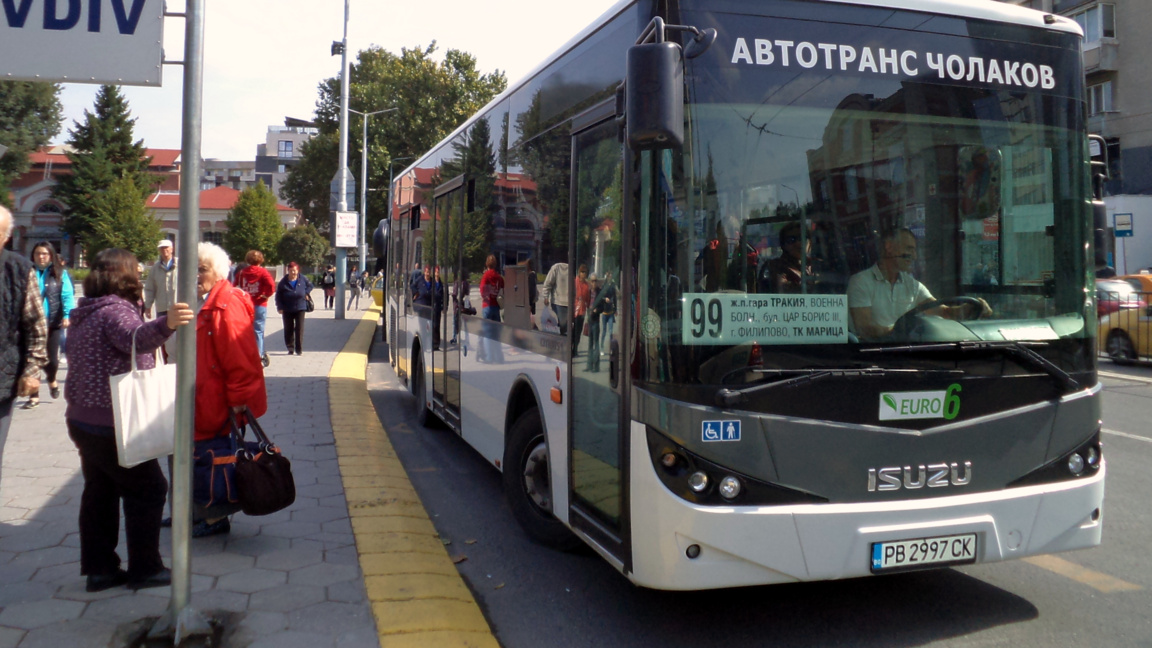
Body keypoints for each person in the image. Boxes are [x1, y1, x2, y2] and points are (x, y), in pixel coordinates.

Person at [64, 247, 195, 591]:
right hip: (114, 422)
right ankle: (145, 568)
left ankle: (100, 569)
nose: (139, 275)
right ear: (122, 276)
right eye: (135, 271)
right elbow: (133, 339)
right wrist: (167, 323)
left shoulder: (85, 311)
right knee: (150, 488)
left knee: (100, 491)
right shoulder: (115, 311)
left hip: (82, 420)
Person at [191, 243, 268, 537]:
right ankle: (203, 511)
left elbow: (241, 359)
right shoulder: (207, 300)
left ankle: (215, 517)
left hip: (218, 404)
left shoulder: (226, 303)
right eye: (192, 269)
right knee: (206, 456)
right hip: (206, 398)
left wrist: (237, 403)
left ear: (219, 273)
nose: (196, 276)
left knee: (214, 458)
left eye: (202, 269)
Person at [847, 228, 991, 340]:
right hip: (875, 358)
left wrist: (970, 308)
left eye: (915, 250)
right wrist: (899, 330)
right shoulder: (861, 282)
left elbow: (945, 312)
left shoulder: (913, 286)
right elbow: (865, 328)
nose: (914, 256)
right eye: (909, 249)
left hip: (910, 354)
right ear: (889, 247)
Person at [0, 206, 48, 488]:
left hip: (2, 378)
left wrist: (32, 370)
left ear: (5, 237)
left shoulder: (17, 270)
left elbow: (35, 324)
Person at [23, 241, 75, 409]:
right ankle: (34, 396)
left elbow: (67, 295)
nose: (41, 256)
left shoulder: (60, 274)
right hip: (30, 323)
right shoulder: (26, 272)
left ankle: (52, 379)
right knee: (31, 360)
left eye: (45, 253)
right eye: (38, 253)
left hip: (52, 322)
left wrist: (67, 315)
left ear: (51, 255)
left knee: (52, 361)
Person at [235, 250, 276, 367]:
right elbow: (271, 285)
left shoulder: (242, 273)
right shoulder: (263, 272)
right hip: (260, 304)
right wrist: (266, 295)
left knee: (244, 330)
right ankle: (259, 356)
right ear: (260, 260)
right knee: (258, 329)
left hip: (245, 304)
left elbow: (233, 286)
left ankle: (248, 353)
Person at [144, 239, 178, 362]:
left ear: (172, 249)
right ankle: (168, 363)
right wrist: (148, 306)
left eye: (166, 248)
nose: (164, 251)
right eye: (162, 248)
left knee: (180, 339)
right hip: (162, 309)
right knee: (166, 340)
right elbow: (150, 288)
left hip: (178, 308)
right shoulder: (155, 269)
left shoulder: (180, 265)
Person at [759, 222, 812, 294]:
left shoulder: (818, 265)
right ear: (783, 245)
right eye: (791, 240)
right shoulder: (776, 266)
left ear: (810, 243)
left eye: (802, 238)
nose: (798, 243)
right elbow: (783, 290)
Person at [275, 262, 314, 355]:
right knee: (288, 328)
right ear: (288, 271)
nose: (293, 273)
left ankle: (299, 349)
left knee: (299, 328)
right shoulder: (283, 282)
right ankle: (290, 347)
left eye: (295, 271)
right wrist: (279, 307)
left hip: (300, 307)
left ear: (298, 270)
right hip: (287, 308)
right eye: (291, 271)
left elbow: (310, 286)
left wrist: (306, 292)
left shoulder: (302, 279)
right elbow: (278, 296)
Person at [479, 255, 504, 363]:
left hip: (487, 306)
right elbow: (503, 291)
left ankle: (489, 357)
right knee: (496, 334)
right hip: (496, 307)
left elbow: (482, 290)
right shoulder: (499, 277)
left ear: (486, 264)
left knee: (487, 333)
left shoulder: (486, 276)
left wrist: (486, 296)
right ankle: (499, 357)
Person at [541, 261, 569, 334]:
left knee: (567, 326)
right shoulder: (556, 268)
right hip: (559, 302)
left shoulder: (572, 268)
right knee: (563, 326)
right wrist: (546, 296)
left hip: (570, 302)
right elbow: (548, 283)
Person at [572, 264, 591, 355]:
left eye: (585, 272)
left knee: (578, 332)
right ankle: (570, 348)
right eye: (582, 272)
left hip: (582, 311)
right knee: (573, 331)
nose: (583, 274)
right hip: (574, 310)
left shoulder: (587, 285)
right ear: (579, 272)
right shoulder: (574, 282)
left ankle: (575, 349)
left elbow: (588, 299)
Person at [597, 272, 617, 351]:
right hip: (605, 312)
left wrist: (615, 310)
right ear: (607, 277)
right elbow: (600, 297)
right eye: (609, 277)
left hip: (611, 312)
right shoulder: (603, 286)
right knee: (604, 331)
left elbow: (615, 298)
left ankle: (611, 348)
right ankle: (601, 347)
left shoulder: (612, 286)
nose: (610, 278)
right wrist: (605, 299)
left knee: (611, 331)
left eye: (611, 277)